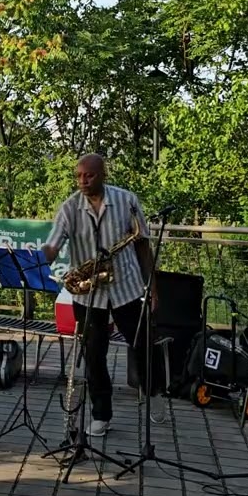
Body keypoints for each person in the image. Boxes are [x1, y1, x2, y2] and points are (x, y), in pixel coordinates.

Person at [41, 154, 153, 438]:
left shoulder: (127, 200)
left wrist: (152, 286)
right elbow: (53, 242)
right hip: (89, 295)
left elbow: (142, 246)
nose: (82, 181)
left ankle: (152, 392)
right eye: (78, 176)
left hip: (126, 287)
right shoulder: (69, 208)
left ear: (103, 174)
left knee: (143, 343)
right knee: (94, 356)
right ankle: (101, 415)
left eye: (88, 176)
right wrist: (44, 255)